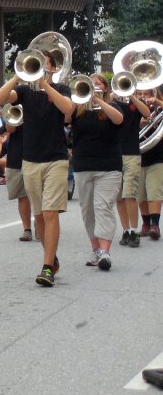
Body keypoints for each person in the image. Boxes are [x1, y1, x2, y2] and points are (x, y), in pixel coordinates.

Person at [0, 50, 74, 287]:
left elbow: (68, 109)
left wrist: (45, 85)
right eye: (36, 64)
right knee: (39, 216)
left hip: (56, 159)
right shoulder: (23, 92)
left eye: (44, 64)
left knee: (50, 213)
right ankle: (51, 255)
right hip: (30, 160)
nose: (39, 67)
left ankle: (47, 266)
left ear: (52, 68)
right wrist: (17, 75)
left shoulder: (60, 89)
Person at [70, 74, 124, 270]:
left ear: (105, 87)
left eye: (98, 84)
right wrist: (78, 100)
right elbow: (66, 118)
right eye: (91, 84)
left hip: (109, 165)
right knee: (87, 209)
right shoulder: (79, 108)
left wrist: (99, 100)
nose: (94, 86)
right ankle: (95, 249)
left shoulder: (113, 105)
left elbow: (118, 120)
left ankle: (105, 252)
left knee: (103, 207)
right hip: (83, 164)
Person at [116, 88, 151, 246]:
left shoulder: (137, 103)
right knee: (119, 197)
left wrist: (131, 96)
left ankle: (134, 231)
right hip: (114, 155)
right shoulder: (112, 103)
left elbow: (147, 113)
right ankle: (125, 230)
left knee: (129, 194)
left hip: (131, 154)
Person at [4, 121, 35, 242]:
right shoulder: (12, 105)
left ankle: (40, 222)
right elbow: (9, 129)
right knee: (22, 196)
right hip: (16, 155)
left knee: (39, 193)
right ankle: (27, 229)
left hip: (36, 152)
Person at [139, 88, 163, 241]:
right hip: (138, 156)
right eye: (139, 94)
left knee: (154, 190)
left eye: (146, 94)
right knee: (140, 193)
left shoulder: (159, 109)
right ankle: (145, 224)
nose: (143, 97)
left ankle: (155, 224)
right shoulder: (133, 110)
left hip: (158, 156)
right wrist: (139, 123)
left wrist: (158, 102)